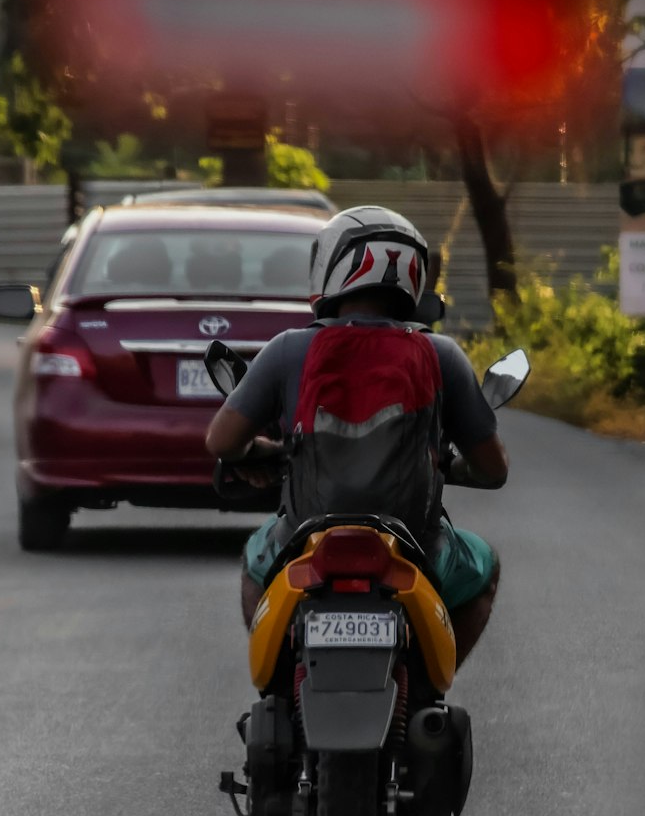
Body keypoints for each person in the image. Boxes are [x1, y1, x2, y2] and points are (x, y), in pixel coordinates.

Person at [204, 205, 509, 670]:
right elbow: (493, 468)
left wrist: (263, 452)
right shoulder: (441, 354)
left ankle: (280, 679)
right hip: (416, 547)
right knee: (484, 566)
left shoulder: (289, 349)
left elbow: (222, 442)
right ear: (413, 277)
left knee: (255, 561)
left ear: (330, 267)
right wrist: (449, 465)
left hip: (303, 539)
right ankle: (430, 682)